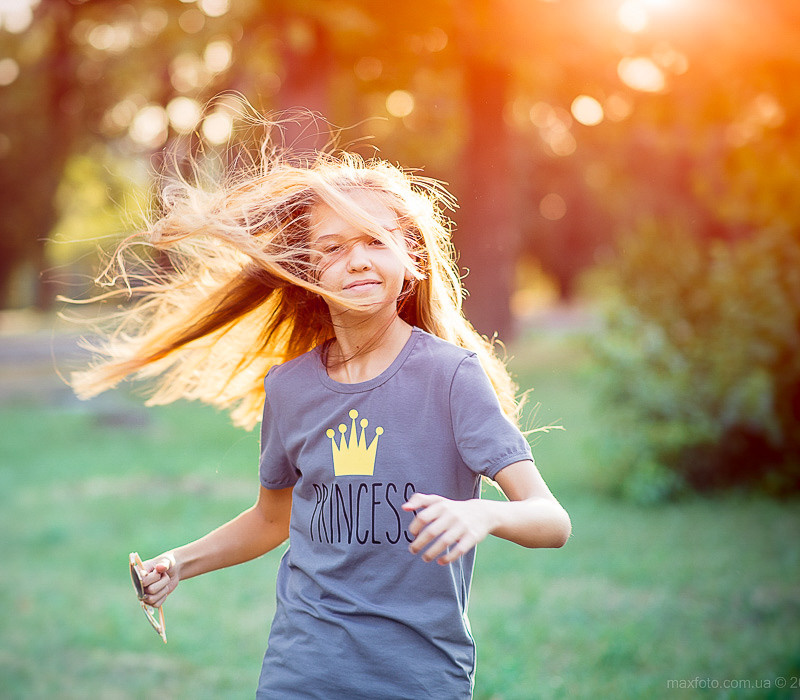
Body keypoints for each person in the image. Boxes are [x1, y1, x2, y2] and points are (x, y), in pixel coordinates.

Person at [71, 148, 571, 698]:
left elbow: (552, 520)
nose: (358, 260)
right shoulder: (290, 389)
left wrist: (482, 514)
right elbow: (271, 520)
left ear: (411, 259)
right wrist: (178, 563)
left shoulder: (451, 377)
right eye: (333, 247)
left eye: (376, 240)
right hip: (300, 672)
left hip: (418, 679)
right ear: (308, 271)